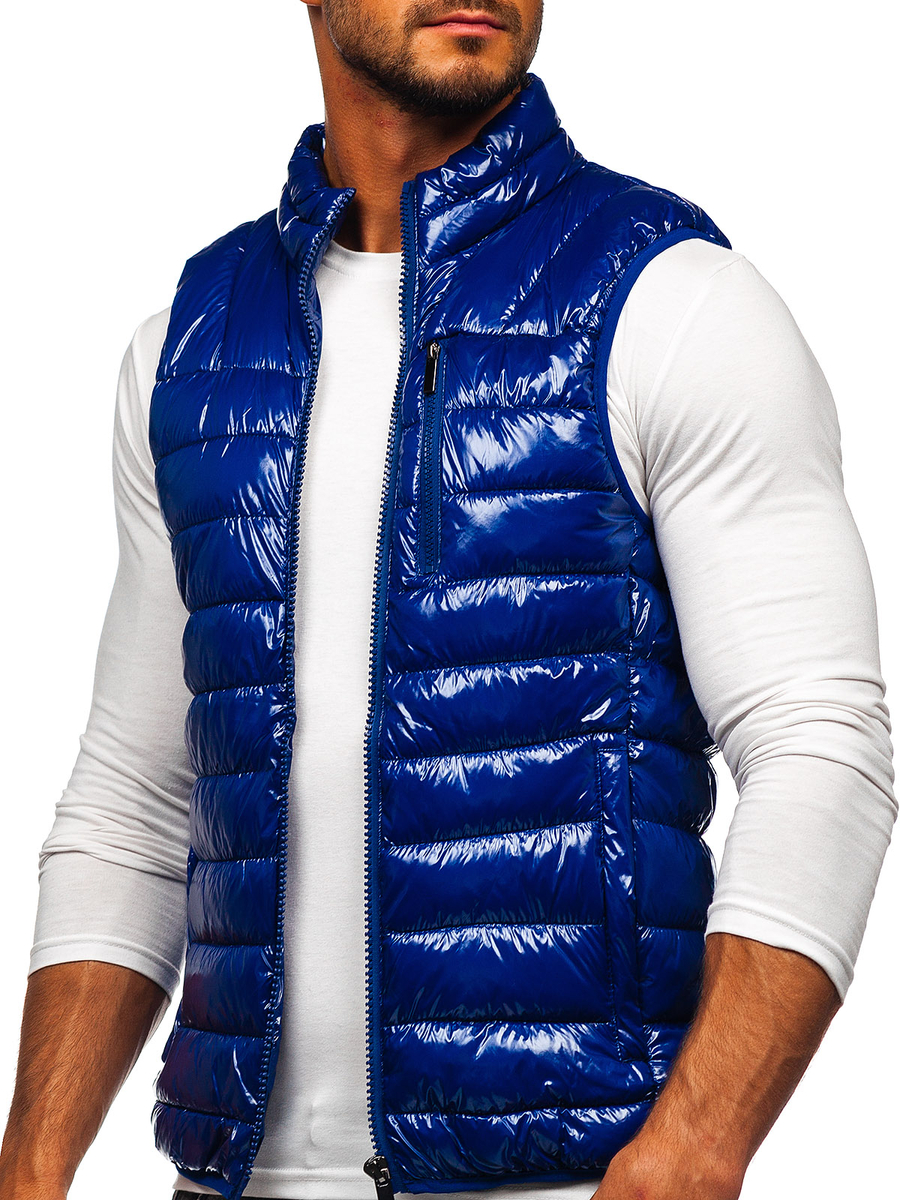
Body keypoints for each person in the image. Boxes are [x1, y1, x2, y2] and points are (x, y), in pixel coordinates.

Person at [0, 2, 895, 1199]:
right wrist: (31, 1167)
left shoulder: (671, 302)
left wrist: (695, 1148)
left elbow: (819, 743)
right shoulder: (192, 345)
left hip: (569, 1175)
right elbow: (137, 800)